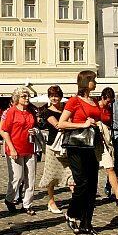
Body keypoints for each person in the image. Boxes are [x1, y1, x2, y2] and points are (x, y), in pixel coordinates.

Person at [58, 70, 103, 235]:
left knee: (92, 186)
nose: (95, 83)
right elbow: (62, 123)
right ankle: (71, 213)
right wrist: (82, 124)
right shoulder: (73, 101)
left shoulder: (94, 101)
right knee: (82, 183)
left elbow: (97, 118)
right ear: (86, 82)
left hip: (91, 145)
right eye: (93, 80)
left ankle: (87, 223)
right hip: (76, 146)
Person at [0, 86, 38, 216]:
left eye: (28, 96)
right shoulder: (11, 112)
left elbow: (36, 126)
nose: (27, 98)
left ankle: (27, 204)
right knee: (17, 177)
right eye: (24, 96)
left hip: (29, 147)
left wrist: (34, 131)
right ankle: (9, 199)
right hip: (15, 148)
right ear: (17, 98)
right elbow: (4, 131)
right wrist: (11, 148)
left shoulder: (32, 111)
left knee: (30, 178)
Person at [38, 85, 74, 214]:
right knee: (51, 175)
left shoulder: (64, 110)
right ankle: (51, 201)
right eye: (52, 96)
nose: (54, 98)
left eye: (56, 96)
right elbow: (58, 125)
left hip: (67, 145)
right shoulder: (47, 112)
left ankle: (76, 201)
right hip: (53, 146)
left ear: (60, 97)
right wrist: (70, 124)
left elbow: (69, 122)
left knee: (71, 173)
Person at [99, 87, 118, 208]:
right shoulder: (96, 107)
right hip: (95, 141)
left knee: (111, 166)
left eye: (111, 101)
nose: (110, 104)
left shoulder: (109, 108)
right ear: (102, 98)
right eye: (108, 101)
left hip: (106, 140)